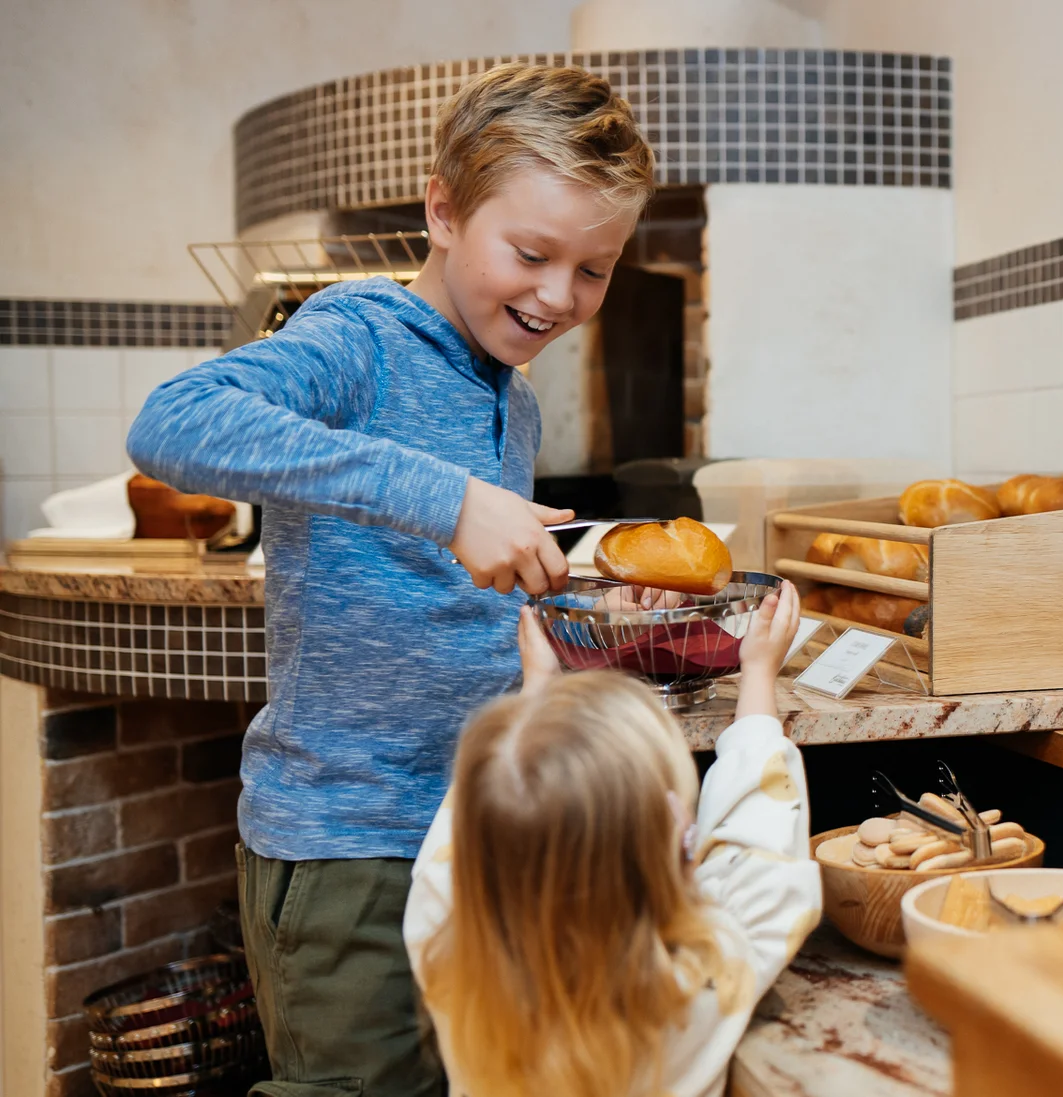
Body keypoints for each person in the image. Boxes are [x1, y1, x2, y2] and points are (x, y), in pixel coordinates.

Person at [124, 63, 653, 1096]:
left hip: (480, 833)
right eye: (532, 253)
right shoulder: (358, 335)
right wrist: (451, 498)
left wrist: (576, 607)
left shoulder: (517, 398)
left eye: (594, 271)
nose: (558, 295)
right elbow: (171, 420)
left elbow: (461, 592)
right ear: (444, 209)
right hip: (347, 849)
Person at [404, 582, 821, 1097]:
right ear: (657, 849)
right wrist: (758, 674)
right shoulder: (701, 981)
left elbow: (466, 835)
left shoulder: (450, 952)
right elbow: (761, 838)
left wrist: (537, 695)